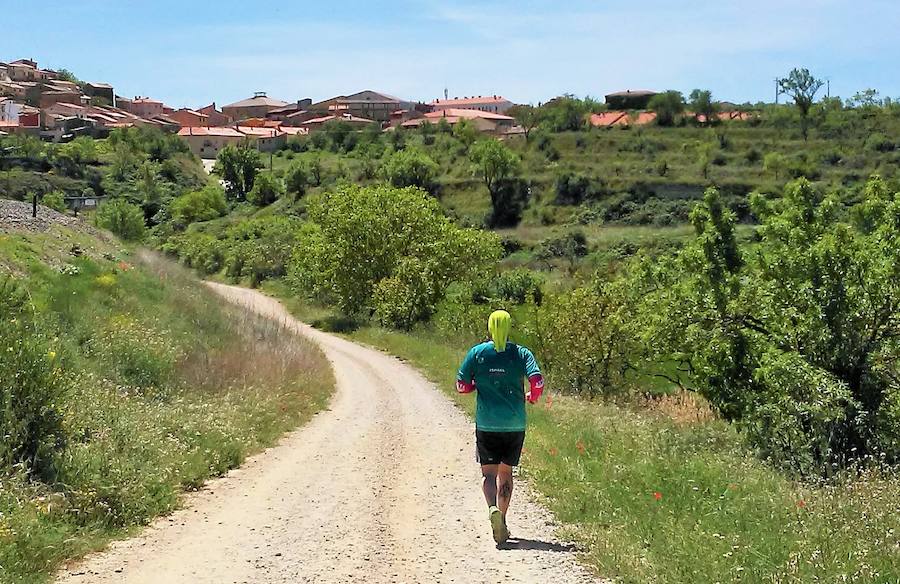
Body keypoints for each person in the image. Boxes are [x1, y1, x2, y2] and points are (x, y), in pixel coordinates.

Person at [456, 309, 544, 545]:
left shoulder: (477, 353)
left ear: (490, 328)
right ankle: (503, 518)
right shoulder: (521, 353)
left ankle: (492, 508)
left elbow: (461, 385)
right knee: (506, 473)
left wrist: (475, 386)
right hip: (514, 423)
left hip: (487, 423)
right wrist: (533, 397)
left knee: (489, 474)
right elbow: (537, 380)